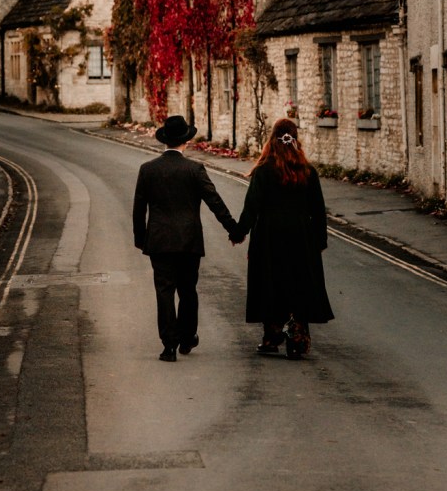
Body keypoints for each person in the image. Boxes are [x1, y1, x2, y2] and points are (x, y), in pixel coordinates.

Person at [133, 114, 238, 362]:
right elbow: (215, 202)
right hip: (189, 241)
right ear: (186, 142)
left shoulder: (148, 170)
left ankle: (169, 345)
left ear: (165, 141)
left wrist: (141, 238)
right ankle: (187, 337)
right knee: (188, 290)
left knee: (164, 291)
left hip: (159, 241)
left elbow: (139, 209)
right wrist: (233, 229)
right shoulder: (194, 169)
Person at [230, 118, 333, 359]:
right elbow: (318, 211)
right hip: (301, 235)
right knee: (298, 282)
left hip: (269, 235)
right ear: (295, 139)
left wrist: (239, 233)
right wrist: (319, 242)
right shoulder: (308, 171)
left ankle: (272, 336)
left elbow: (251, 208)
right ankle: (297, 336)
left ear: (272, 140)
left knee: (271, 281)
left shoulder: (264, 171)